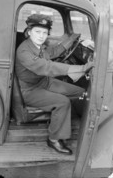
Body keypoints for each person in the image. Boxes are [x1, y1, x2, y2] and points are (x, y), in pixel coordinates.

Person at [15, 14, 94, 155]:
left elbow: (52, 52)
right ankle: (53, 139)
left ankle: (77, 122)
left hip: (43, 81)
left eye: (45, 33)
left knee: (80, 92)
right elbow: (46, 67)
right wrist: (80, 69)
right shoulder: (24, 51)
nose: (41, 36)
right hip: (29, 90)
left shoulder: (38, 46)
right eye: (37, 32)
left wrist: (70, 41)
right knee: (62, 102)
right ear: (28, 32)